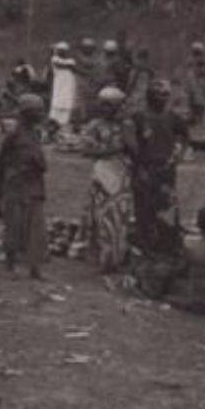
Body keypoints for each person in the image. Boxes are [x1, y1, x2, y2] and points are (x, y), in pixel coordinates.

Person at [123, 79, 188, 250]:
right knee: (143, 208)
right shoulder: (138, 117)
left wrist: (177, 156)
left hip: (165, 169)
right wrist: (138, 165)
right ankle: (145, 244)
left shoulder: (173, 118)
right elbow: (129, 144)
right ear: (150, 96)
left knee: (166, 207)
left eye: (166, 95)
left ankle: (166, 244)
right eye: (160, 95)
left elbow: (184, 137)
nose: (163, 99)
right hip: (144, 168)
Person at [0, 94, 49, 281]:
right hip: (16, 184)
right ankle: (10, 264)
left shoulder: (35, 134)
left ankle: (34, 268)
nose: (42, 115)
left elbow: (41, 162)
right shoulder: (13, 135)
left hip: (34, 185)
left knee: (36, 226)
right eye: (38, 111)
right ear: (26, 114)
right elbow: (0, 160)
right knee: (14, 225)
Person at [79, 87, 131, 273]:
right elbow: (86, 150)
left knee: (120, 216)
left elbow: (133, 148)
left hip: (122, 173)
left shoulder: (125, 125)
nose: (106, 109)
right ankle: (104, 257)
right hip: (104, 172)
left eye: (111, 105)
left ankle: (118, 255)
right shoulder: (95, 126)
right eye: (104, 105)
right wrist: (113, 150)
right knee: (102, 216)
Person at [182, 42, 205, 126]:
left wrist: (202, 72)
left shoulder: (200, 61)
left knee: (199, 105)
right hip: (194, 86)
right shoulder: (192, 60)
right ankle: (196, 122)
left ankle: (198, 122)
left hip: (198, 85)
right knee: (194, 105)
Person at [47, 42, 78, 129]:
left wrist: (70, 65)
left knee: (67, 102)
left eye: (63, 51)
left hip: (69, 85)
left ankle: (65, 124)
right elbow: (61, 64)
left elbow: (72, 66)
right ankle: (54, 123)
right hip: (59, 85)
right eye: (60, 50)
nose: (62, 52)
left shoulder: (71, 61)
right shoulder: (55, 59)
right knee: (57, 102)